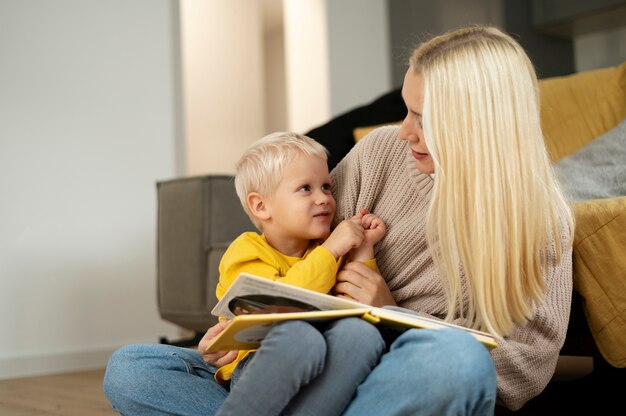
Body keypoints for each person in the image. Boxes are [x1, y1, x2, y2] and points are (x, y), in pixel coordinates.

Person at [103, 24, 574, 415]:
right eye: (406, 111)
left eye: (423, 119)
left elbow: (524, 368)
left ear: (479, 123)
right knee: (133, 367)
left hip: (395, 372)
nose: (404, 130)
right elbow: (296, 241)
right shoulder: (382, 152)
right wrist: (245, 326)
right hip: (306, 359)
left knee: (456, 362)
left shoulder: (542, 219)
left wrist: (393, 315)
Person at [212, 132, 386, 415]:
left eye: (327, 187)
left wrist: (364, 249)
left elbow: (357, 305)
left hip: (322, 367)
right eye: (306, 188)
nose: (324, 199)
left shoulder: (327, 249)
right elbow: (279, 304)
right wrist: (331, 250)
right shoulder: (246, 251)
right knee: (298, 338)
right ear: (261, 206)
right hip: (259, 367)